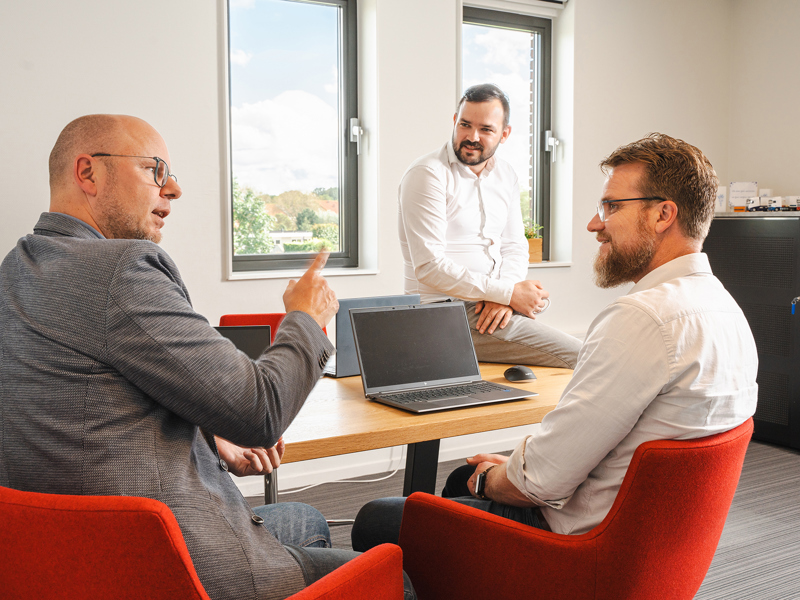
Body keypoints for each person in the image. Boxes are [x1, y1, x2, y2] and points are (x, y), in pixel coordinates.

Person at [0, 114, 415, 600]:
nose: (172, 189)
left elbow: (79, 407)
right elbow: (259, 411)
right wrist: (303, 317)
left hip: (69, 559)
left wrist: (207, 441)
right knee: (396, 579)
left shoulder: (17, 270)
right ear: (88, 173)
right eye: (155, 170)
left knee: (305, 517)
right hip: (172, 566)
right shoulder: (121, 270)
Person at [352, 132, 758, 548]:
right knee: (467, 477)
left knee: (379, 518)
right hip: (650, 542)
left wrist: (498, 475)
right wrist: (514, 468)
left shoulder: (641, 320)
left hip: (571, 544)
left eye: (611, 206)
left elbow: (538, 485)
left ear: (662, 215)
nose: (594, 224)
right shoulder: (727, 311)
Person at [398, 83, 581, 368]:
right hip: (440, 313)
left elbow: (514, 245)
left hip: (487, 305)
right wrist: (507, 293)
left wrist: (504, 297)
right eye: (465, 125)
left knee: (544, 308)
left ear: (504, 134)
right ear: (454, 121)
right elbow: (429, 266)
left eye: (486, 129)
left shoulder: (505, 174)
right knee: (582, 355)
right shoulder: (428, 174)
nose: (472, 137)